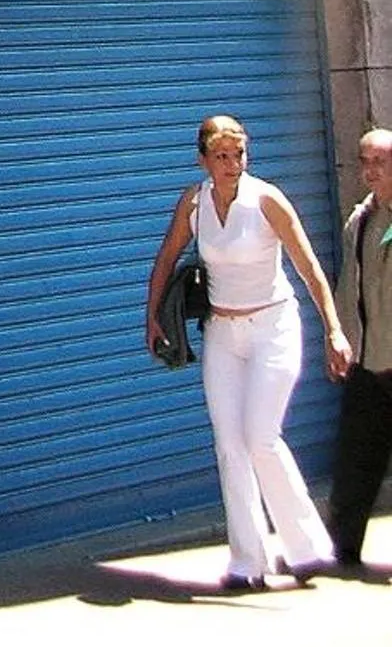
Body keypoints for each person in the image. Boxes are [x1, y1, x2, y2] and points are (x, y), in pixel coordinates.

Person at [145, 113, 352, 590]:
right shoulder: (193, 203)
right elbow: (167, 256)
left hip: (273, 326)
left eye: (239, 154)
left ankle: (305, 549)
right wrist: (152, 314)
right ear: (203, 160)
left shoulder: (267, 201)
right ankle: (247, 561)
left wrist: (334, 330)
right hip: (223, 331)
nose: (233, 164)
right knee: (230, 445)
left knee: (260, 437)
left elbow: (309, 268)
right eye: (221, 156)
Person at [328, 126, 392, 572]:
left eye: (380, 162)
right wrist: (339, 339)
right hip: (369, 362)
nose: (370, 171)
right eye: (365, 162)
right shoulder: (362, 219)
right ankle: (343, 548)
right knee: (355, 459)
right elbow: (348, 287)